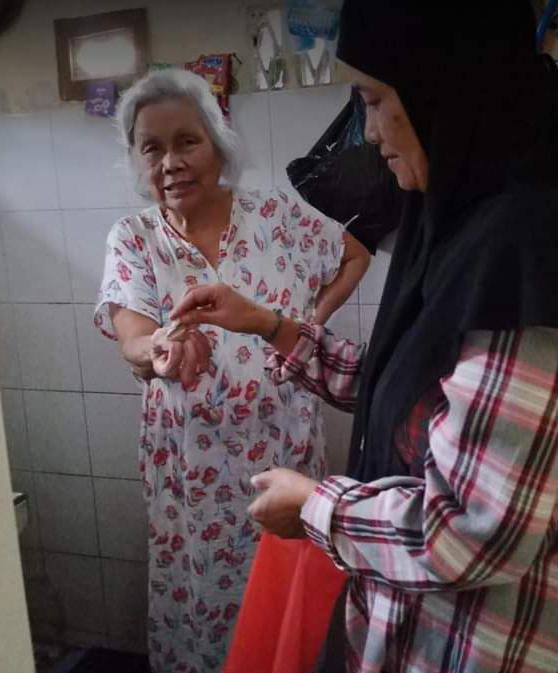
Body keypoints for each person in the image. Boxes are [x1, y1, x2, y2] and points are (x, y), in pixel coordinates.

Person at [169, 3, 558, 672]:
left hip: (473, 646)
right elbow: (413, 393)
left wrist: (315, 506)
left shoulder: (526, 247)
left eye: (375, 101)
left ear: (445, 86)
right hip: (409, 627)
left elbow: (472, 530)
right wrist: (270, 324)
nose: (370, 132)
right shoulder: (455, 220)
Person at [94, 68, 369, 673]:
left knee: (285, 609)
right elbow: (129, 334)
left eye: (187, 141)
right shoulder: (134, 238)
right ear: (137, 161)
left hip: (284, 450)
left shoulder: (275, 213)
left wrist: (303, 324)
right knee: (202, 611)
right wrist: (158, 348)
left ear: (217, 143)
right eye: (152, 148)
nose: (171, 162)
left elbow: (354, 254)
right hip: (191, 470)